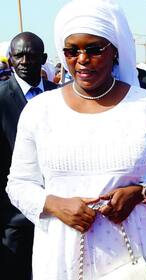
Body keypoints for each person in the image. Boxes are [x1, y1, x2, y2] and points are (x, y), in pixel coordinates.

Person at [6, 1, 146, 279]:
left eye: (93, 49)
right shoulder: (39, 110)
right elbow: (19, 184)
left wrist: (140, 193)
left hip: (138, 254)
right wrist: (55, 204)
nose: (82, 59)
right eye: (72, 50)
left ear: (114, 51)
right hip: (62, 255)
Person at [0, 31, 57, 280]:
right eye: (18, 56)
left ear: (43, 58)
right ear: (10, 59)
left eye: (31, 56)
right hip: (13, 216)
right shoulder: (1, 98)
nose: (24, 61)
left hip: (58, 211)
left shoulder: (62, 97)